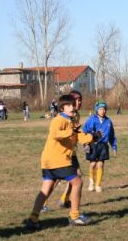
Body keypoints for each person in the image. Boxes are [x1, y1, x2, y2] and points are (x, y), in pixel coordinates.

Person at [24, 94, 95, 229]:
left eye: (73, 105)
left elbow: (81, 137)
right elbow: (56, 134)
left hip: (50, 160)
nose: (72, 107)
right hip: (57, 159)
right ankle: (74, 216)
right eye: (69, 105)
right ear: (62, 108)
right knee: (77, 182)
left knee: (46, 189)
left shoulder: (72, 121)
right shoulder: (59, 120)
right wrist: (71, 131)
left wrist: (93, 137)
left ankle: (33, 219)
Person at [83, 101, 117, 192]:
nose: (102, 111)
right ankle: (91, 182)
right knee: (93, 164)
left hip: (103, 146)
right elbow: (84, 131)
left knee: (100, 165)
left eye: (104, 109)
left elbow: (112, 135)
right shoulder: (91, 119)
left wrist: (114, 146)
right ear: (97, 110)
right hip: (93, 145)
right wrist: (85, 143)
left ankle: (98, 185)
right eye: (100, 109)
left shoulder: (108, 121)